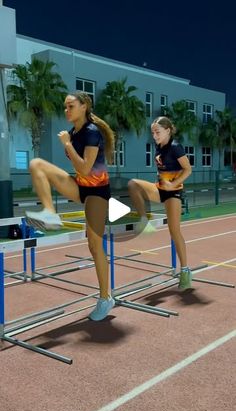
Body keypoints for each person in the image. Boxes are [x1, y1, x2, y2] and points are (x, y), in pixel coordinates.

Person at [26, 91, 116, 320]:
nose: (66, 111)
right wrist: (69, 141)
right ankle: (49, 213)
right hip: (80, 186)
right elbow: (80, 174)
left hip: (97, 192)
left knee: (95, 246)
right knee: (37, 164)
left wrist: (67, 144)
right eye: (65, 107)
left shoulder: (92, 132)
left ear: (84, 106)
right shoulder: (74, 132)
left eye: (71, 106)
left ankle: (106, 298)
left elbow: (85, 168)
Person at [128, 116, 192, 290]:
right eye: (152, 132)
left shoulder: (175, 147)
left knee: (174, 230)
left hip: (173, 192)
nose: (154, 135)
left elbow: (188, 169)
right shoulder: (158, 147)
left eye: (157, 132)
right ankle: (144, 219)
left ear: (168, 131)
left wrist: (173, 183)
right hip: (160, 188)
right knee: (133, 184)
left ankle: (185, 271)